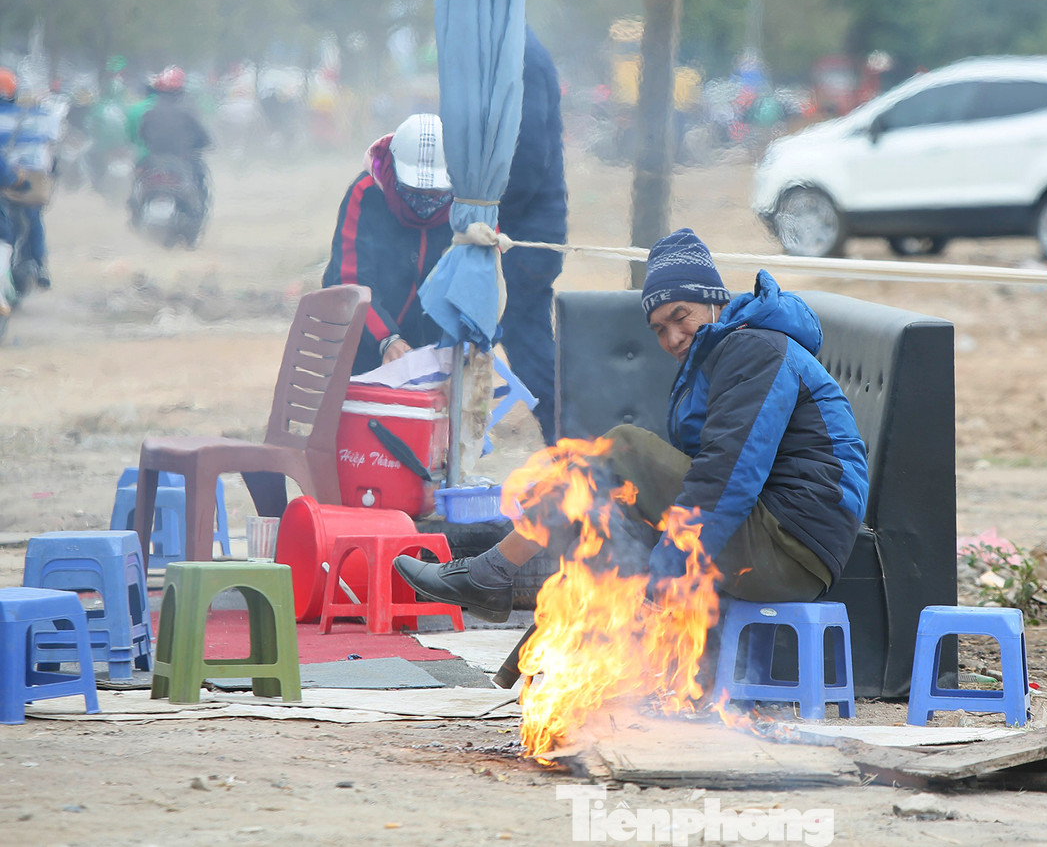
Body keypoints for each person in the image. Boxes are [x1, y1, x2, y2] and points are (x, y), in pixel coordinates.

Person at [394, 228, 870, 621]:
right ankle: (516, 609)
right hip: (773, 539)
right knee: (602, 505)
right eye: (659, 328)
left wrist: (664, 577)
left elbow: (727, 479)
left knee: (622, 447)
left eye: (680, 316)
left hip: (791, 549)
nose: (672, 336)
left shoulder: (756, 350)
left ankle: (491, 573)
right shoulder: (720, 357)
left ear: (712, 300)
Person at [322, 112, 454, 374]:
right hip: (362, 341)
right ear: (393, 170)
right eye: (416, 192)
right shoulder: (367, 194)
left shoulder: (466, 204)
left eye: (435, 193)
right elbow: (350, 280)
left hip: (434, 349)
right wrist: (387, 338)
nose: (426, 199)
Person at [497, 27, 568, 445]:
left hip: (526, 231)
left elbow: (527, 155)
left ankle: (572, 447)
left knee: (526, 337)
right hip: (521, 226)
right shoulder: (508, 49)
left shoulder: (520, 54)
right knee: (526, 337)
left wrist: (493, 218)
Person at [0, 67, 56, 295]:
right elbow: (51, 139)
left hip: (12, 178)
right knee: (33, 218)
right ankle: (40, 265)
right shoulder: (37, 116)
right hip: (25, 177)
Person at [136, 66, 212, 199]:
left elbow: (142, 136)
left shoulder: (149, 113)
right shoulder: (187, 112)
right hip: (181, 160)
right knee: (199, 173)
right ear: (180, 91)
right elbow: (203, 137)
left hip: (154, 160)